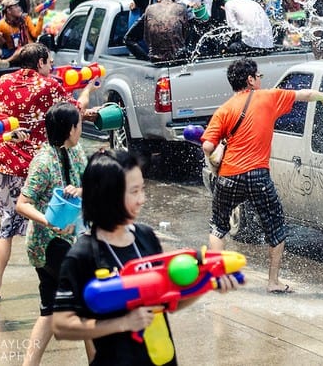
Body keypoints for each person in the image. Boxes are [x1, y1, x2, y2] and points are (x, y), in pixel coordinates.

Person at [52, 149, 242, 364]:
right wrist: (124, 323)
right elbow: (61, 326)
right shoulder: (83, 254)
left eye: (142, 189)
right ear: (107, 195)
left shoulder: (145, 237)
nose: (142, 199)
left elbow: (169, 301)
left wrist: (206, 283)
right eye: (134, 192)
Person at [202, 58, 323, 293]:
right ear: (250, 80)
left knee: (218, 227)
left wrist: (215, 168)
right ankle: (273, 282)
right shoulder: (269, 97)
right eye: (259, 76)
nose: (261, 79)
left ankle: (215, 278)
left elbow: (207, 147)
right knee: (275, 227)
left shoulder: (224, 110)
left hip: (229, 175)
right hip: (258, 176)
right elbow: (303, 95)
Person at [0, 43, 99, 303]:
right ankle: (54, 278)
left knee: (7, 224)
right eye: (49, 62)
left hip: (9, 159)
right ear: (41, 61)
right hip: (41, 165)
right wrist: (89, 88)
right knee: (55, 222)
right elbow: (74, 112)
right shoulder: (49, 86)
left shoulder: (3, 81)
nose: (52, 67)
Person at [15, 102, 88, 365]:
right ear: (70, 129)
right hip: (48, 244)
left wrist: (80, 191)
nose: (81, 127)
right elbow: (22, 204)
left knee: (49, 309)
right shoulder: (44, 162)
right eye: (79, 124)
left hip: (68, 239)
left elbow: (88, 182)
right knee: (86, 302)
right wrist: (48, 221)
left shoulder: (76, 151)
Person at [125, 0, 191, 62]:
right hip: (179, 59)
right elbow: (186, 35)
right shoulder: (181, 9)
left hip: (156, 60)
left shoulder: (150, 9)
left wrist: (146, 59)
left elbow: (131, 38)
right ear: (174, 0)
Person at [0, 0, 45, 65]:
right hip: (11, 51)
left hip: (26, 49)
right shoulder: (2, 24)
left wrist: (41, 18)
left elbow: (35, 33)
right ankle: (0, 63)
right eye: (16, 7)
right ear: (8, 10)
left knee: (21, 50)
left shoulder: (25, 18)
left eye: (18, 6)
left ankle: (6, 62)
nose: (19, 8)